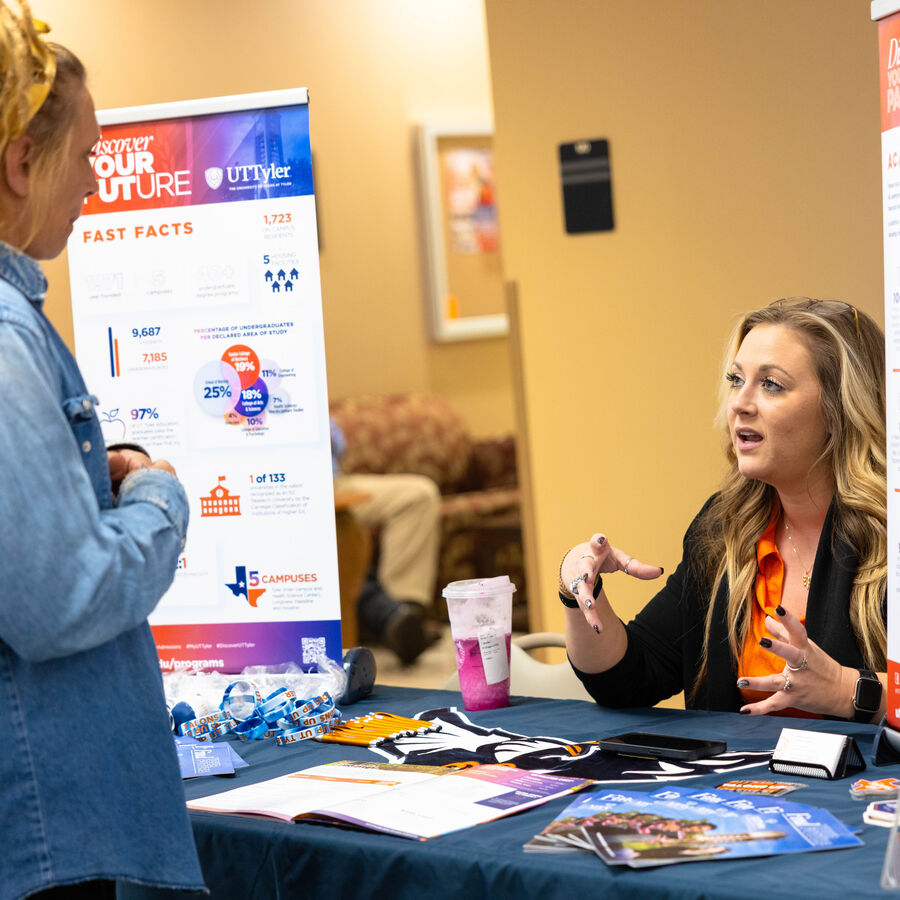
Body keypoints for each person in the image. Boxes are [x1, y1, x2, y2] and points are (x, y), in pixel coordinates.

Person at [0, 5, 204, 897]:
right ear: (19, 164)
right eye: (86, 154)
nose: (94, 180)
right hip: (48, 829)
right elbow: (60, 601)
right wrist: (158, 495)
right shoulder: (6, 340)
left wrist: (86, 475)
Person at [559, 298, 887, 720]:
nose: (739, 403)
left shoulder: (887, 531)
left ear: (840, 409)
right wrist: (577, 586)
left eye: (771, 384)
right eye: (736, 380)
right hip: (742, 785)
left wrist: (846, 690)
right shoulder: (726, 526)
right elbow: (632, 677)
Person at [331, 417, 440, 664]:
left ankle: (405, 613)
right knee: (339, 529)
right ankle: (391, 616)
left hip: (334, 481)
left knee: (419, 495)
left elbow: (337, 443)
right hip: (276, 486)